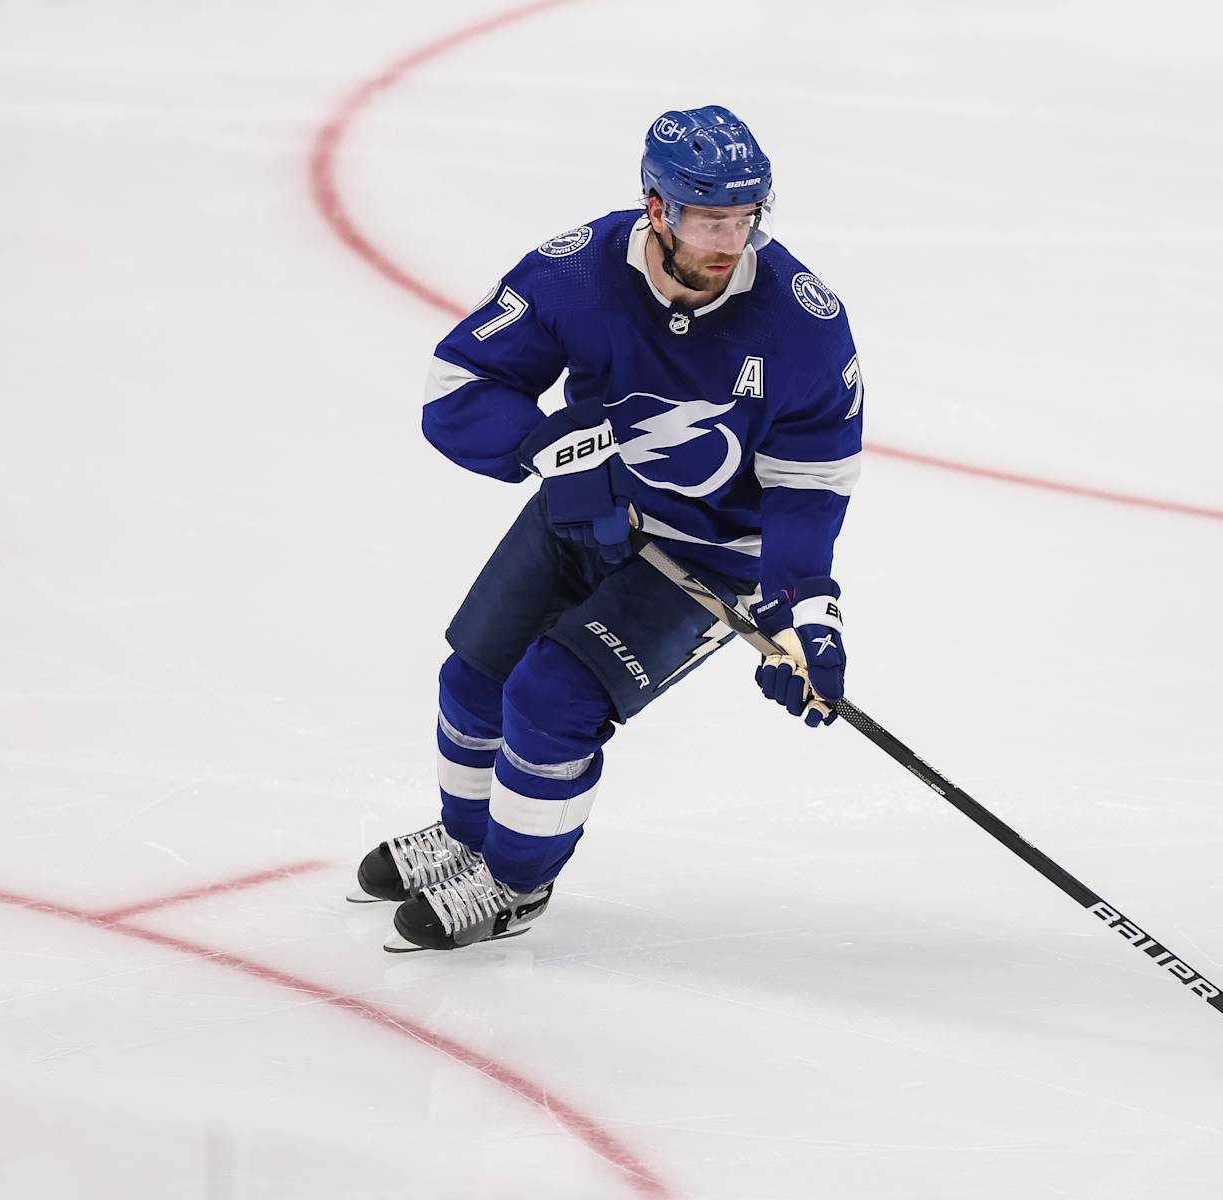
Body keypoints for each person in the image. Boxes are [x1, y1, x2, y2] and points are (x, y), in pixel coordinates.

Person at [348, 105, 865, 952]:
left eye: (745, 218)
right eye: (708, 219)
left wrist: (802, 609)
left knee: (550, 701)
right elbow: (457, 385)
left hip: (707, 555)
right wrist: (542, 444)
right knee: (475, 679)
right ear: (656, 208)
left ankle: (514, 885)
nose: (729, 240)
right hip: (588, 508)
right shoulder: (579, 271)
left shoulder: (802, 325)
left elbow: (809, 485)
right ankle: (465, 839)